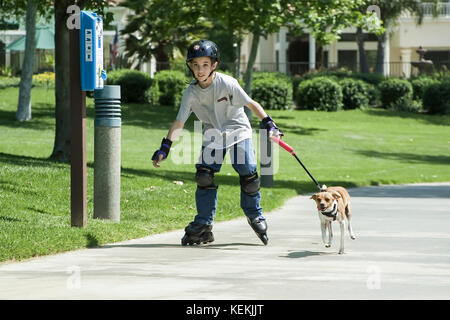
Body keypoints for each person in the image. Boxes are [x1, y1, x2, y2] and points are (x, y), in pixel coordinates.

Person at [152, 39, 283, 246]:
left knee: (249, 175)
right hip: (213, 134)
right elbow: (179, 121)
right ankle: (204, 223)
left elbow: (251, 104)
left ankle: (255, 215)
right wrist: (165, 147)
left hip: (238, 131)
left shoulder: (227, 83)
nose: (199, 70)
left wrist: (270, 125)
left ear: (214, 64)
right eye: (195, 65)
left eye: (204, 64)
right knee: (204, 176)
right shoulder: (191, 92)